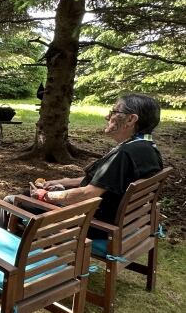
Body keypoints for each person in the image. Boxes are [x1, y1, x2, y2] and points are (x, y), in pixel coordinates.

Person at [29, 94, 163, 232]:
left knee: (14, 201)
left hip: (94, 225)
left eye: (114, 112)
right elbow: (108, 181)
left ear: (131, 119)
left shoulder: (125, 153)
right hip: (128, 223)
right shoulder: (149, 149)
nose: (107, 117)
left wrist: (44, 195)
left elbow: (87, 194)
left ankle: (26, 251)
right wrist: (63, 182)